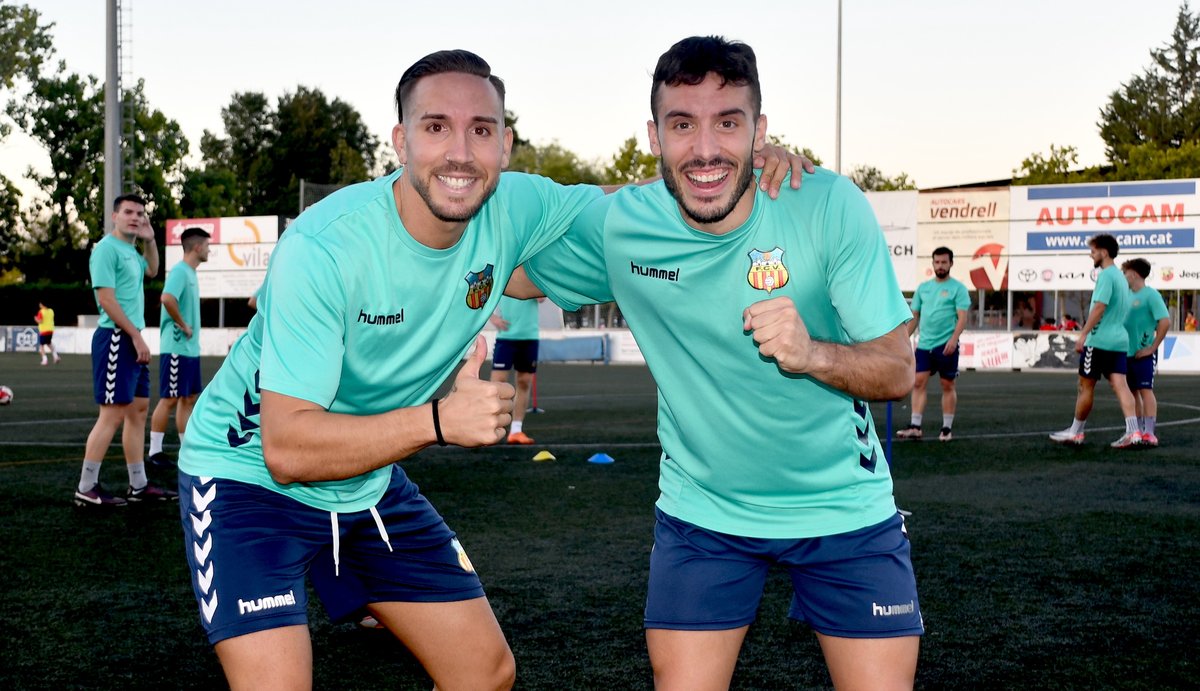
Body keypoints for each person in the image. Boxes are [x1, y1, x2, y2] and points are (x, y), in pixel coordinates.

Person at [173, 47, 816, 689]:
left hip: (364, 483)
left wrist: (731, 165)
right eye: (436, 127)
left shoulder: (514, 207)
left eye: (481, 130)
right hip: (247, 479)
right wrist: (437, 421)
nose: (460, 153)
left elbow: (631, 207)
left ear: (504, 146)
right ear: (400, 141)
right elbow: (287, 448)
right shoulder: (324, 246)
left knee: (485, 674)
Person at [516, 35, 921, 691]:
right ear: (655, 136)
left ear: (760, 132)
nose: (705, 149)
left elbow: (896, 368)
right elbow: (508, 270)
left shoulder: (826, 204)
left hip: (844, 508)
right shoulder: (625, 225)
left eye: (728, 123)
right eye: (683, 125)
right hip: (703, 514)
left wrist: (812, 353)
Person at [75, 193, 177, 507]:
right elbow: (106, 300)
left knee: (139, 410)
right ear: (114, 216)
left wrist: (150, 239)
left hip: (131, 339)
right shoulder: (106, 249)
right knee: (112, 414)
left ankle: (139, 485)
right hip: (117, 338)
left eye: (140, 213)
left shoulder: (131, 251)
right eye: (129, 212)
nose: (135, 217)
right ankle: (86, 487)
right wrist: (135, 336)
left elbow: (153, 270)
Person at [1049, 233, 1141, 448]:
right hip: (1119, 340)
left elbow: (1100, 306)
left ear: (1104, 252)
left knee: (1085, 385)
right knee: (1121, 385)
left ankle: (1075, 432)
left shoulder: (1106, 276)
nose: (1091, 255)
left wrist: (1083, 334)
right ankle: (1134, 431)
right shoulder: (1121, 277)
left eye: (1093, 251)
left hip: (1099, 340)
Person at [147, 227, 211, 468]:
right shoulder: (180, 271)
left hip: (190, 349)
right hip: (176, 347)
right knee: (170, 398)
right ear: (197, 247)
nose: (209, 250)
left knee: (188, 398)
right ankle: (155, 451)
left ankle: (186, 449)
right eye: (207, 246)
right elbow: (167, 298)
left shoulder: (190, 273)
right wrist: (183, 324)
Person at [896, 247, 970, 442]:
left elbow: (962, 317)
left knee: (947, 384)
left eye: (944, 262)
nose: (940, 266)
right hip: (924, 345)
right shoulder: (923, 288)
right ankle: (915, 427)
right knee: (918, 382)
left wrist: (953, 339)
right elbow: (915, 316)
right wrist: (903, 338)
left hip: (946, 345)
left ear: (951, 263)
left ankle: (946, 428)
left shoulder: (958, 289)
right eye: (937, 262)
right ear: (933, 264)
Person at [1121, 258, 1169, 447]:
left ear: (1133, 274)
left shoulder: (1151, 295)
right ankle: (1137, 431)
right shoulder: (1125, 295)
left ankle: (1149, 433)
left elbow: (1164, 321)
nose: (1123, 276)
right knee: (1132, 392)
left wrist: (1152, 348)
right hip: (1124, 353)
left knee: (1145, 390)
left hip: (1143, 353)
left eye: (1125, 273)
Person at [488, 295, 542, 445]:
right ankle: (491, 427)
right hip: (506, 337)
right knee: (497, 384)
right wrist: (492, 318)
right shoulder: (502, 280)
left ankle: (516, 430)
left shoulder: (534, 278)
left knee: (524, 382)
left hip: (530, 337)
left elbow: (542, 297)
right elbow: (485, 296)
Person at [34, 301, 61, 365]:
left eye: (40, 303)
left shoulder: (41, 312)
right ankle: (56, 356)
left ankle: (45, 360)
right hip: (50, 330)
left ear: (42, 304)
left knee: (41, 346)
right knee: (49, 343)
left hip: (44, 331)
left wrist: (36, 319)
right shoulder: (51, 311)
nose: (39, 305)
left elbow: (40, 321)